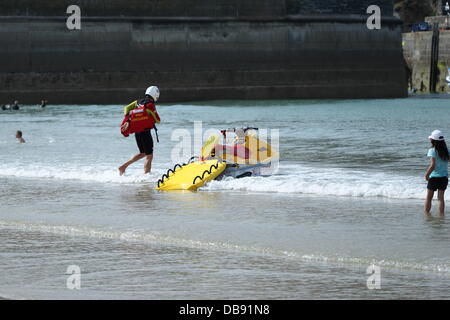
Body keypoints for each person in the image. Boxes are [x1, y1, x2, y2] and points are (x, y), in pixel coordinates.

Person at [118, 86, 160, 176]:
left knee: (143, 153)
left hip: (137, 132)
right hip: (145, 132)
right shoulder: (150, 105)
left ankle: (123, 167)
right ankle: (146, 176)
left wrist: (128, 119)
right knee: (149, 155)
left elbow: (126, 109)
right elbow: (158, 120)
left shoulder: (137, 102)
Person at [424, 130, 450, 217]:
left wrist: (426, 175)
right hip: (444, 177)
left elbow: (433, 165)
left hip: (434, 177)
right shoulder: (447, 151)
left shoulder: (432, 150)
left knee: (429, 198)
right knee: (440, 199)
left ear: (433, 140)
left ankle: (426, 214)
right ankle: (441, 216)